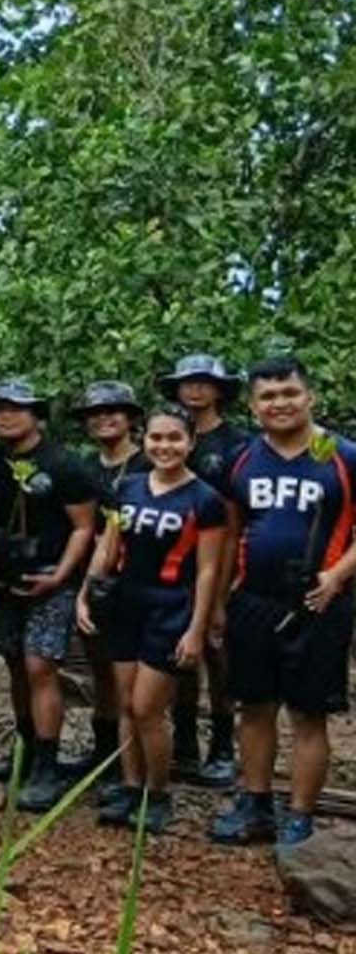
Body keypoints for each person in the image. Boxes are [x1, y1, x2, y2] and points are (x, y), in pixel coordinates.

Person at [210, 356, 356, 849]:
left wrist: (338, 575)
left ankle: (300, 815)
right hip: (254, 600)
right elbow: (230, 532)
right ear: (254, 407)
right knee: (254, 706)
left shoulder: (343, 456)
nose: (280, 403)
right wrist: (221, 599)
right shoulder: (242, 460)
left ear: (309, 396)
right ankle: (255, 804)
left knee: (308, 713)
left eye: (290, 393)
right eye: (268, 396)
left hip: (320, 603)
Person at [76, 405, 226, 834]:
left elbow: (208, 571)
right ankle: (131, 785)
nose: (165, 446)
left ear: (191, 443)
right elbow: (108, 546)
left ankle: (158, 793)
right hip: (125, 603)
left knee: (147, 708)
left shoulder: (205, 499)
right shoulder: (128, 487)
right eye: (156, 438)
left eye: (175, 438)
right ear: (144, 440)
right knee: (126, 703)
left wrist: (197, 629)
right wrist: (85, 594)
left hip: (171, 606)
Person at [0, 379, 98, 812]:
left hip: (51, 582)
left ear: (36, 415)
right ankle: (25, 751)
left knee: (41, 667)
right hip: (5, 582)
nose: (7, 417)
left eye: (17, 408)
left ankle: (48, 765)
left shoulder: (64, 464)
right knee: (15, 665)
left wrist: (62, 575)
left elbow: (84, 527)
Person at [158, 354, 250, 789]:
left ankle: (223, 743)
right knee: (178, 655)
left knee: (218, 652)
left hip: (219, 561)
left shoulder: (237, 443)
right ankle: (184, 742)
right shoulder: (165, 437)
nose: (194, 390)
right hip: (171, 562)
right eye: (187, 382)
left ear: (219, 390)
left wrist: (224, 588)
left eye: (203, 382)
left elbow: (234, 522)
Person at [69, 381, 151, 788]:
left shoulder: (149, 463)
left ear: (131, 418)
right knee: (101, 669)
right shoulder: (85, 467)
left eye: (113, 411)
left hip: (139, 579)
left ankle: (133, 761)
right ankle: (103, 752)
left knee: (130, 676)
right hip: (95, 578)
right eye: (95, 414)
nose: (104, 419)